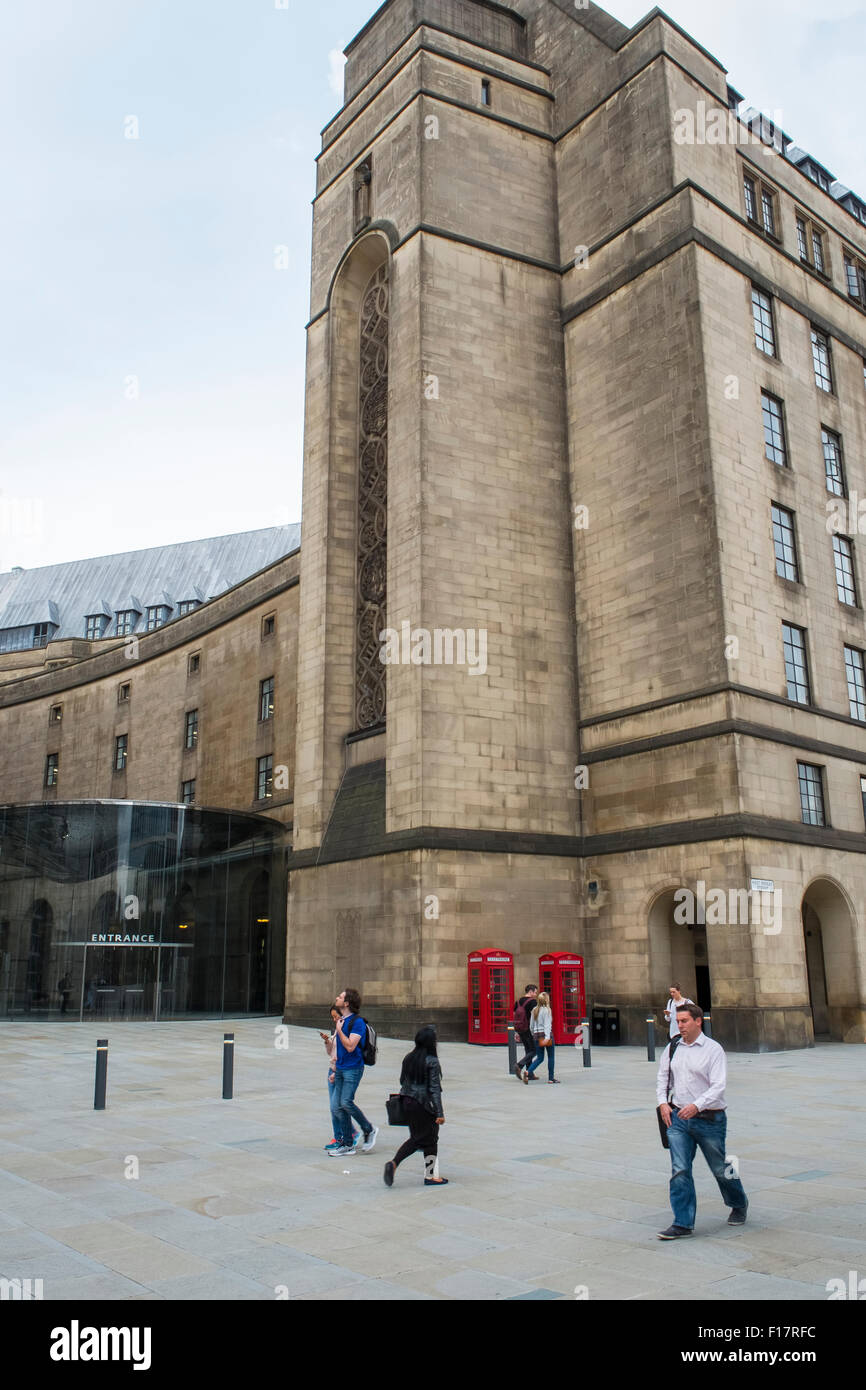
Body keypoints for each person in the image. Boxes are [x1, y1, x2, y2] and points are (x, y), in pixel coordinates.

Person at [656, 1002, 749, 1239]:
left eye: (684, 1021)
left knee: (720, 1167)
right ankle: (683, 1223)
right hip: (677, 1119)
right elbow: (663, 1077)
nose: (680, 1026)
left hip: (709, 1118)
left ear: (699, 1021)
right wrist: (663, 1103)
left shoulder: (713, 1049)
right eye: (678, 1022)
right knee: (680, 1170)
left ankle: (738, 1201)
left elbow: (719, 1087)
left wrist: (696, 1105)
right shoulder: (673, 1046)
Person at [383, 1025, 447, 1187]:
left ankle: (430, 1175)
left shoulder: (408, 1057)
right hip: (423, 1104)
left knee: (429, 1139)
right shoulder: (431, 1061)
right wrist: (440, 1112)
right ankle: (394, 1163)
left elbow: (402, 1081)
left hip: (407, 1101)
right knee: (421, 1139)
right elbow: (434, 1089)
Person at [329, 987, 378, 1157]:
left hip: (353, 1068)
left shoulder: (357, 1022)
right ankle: (347, 1144)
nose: (337, 997)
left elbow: (350, 1046)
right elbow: (339, 1049)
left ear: (347, 1003)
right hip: (341, 1068)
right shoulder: (341, 1019)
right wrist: (335, 1069)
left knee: (346, 1103)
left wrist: (340, 1030)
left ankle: (369, 1129)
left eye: (340, 996)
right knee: (337, 1107)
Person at [321, 1006, 360, 1151]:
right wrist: (327, 1041)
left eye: (336, 1016)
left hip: (338, 1072)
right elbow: (331, 1052)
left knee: (338, 1106)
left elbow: (344, 1055)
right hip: (332, 1070)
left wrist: (335, 1072)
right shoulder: (338, 1031)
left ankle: (345, 1136)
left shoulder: (347, 1031)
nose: (334, 1019)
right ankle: (345, 1134)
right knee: (335, 1107)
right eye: (332, 1017)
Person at [524, 991, 559, 1083]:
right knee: (551, 1057)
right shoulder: (547, 1010)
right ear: (547, 1000)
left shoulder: (534, 1010)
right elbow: (547, 1025)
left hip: (537, 1035)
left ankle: (528, 1072)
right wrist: (547, 1038)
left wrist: (533, 1034)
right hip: (546, 1036)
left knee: (540, 1058)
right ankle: (551, 1079)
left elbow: (531, 1025)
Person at [513, 983, 539, 1079]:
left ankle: (530, 1073)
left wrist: (516, 1031)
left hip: (520, 1028)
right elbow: (535, 1017)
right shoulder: (533, 1002)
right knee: (534, 1050)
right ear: (530, 991)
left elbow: (514, 1015)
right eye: (535, 992)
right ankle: (520, 1065)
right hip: (529, 1029)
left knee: (528, 1050)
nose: (536, 994)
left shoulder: (518, 1001)